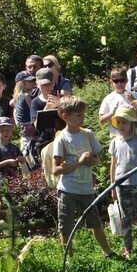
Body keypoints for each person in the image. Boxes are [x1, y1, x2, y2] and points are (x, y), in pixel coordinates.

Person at [52, 96, 113, 257]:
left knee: (95, 223)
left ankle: (107, 251)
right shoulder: (61, 139)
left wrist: (91, 161)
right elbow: (56, 170)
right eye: (78, 115)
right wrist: (79, 162)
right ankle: (68, 257)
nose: (82, 118)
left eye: (83, 115)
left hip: (86, 188)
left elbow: (97, 159)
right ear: (65, 116)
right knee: (66, 226)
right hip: (68, 189)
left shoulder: (88, 134)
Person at [109, 107, 137, 259]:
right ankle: (128, 248)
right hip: (121, 186)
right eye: (118, 122)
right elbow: (113, 166)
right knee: (124, 217)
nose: (121, 125)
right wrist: (112, 187)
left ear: (133, 123)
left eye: (124, 122)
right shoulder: (115, 142)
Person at [98, 66, 137, 137]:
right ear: (111, 82)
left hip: (134, 136)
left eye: (122, 80)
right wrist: (111, 113)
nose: (119, 83)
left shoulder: (135, 96)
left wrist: (133, 101)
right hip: (116, 137)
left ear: (127, 81)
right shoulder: (108, 98)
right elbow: (101, 121)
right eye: (116, 81)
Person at [0, 116, 26, 184]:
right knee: (4, 193)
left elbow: (23, 161)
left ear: (12, 131)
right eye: (2, 131)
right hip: (2, 180)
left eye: (8, 130)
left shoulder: (15, 147)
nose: (5, 133)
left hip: (16, 178)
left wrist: (21, 159)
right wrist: (7, 162)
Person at [12, 71, 37, 155]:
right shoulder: (26, 96)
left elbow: (11, 103)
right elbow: (32, 109)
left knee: (25, 150)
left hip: (21, 127)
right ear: (21, 83)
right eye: (29, 81)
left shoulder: (16, 97)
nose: (32, 83)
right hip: (29, 125)